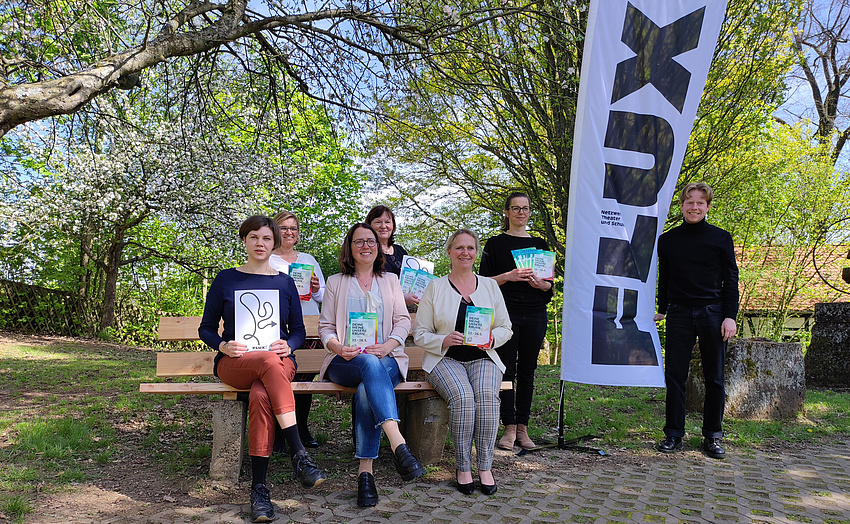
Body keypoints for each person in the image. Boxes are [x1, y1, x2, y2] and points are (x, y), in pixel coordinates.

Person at [198, 215, 326, 523]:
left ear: (274, 243)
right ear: (244, 240)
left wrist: (290, 345)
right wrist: (222, 345)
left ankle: (259, 490)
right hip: (235, 362)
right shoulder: (226, 278)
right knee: (268, 363)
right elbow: (206, 329)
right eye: (254, 237)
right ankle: (299, 453)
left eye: (266, 238)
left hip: (277, 360)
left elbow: (297, 329)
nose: (260, 243)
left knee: (260, 394)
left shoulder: (284, 282)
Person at [318, 222, 426, 507]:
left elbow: (403, 321)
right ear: (350, 248)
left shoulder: (390, 280)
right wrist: (339, 347)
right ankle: (398, 444)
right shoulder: (335, 282)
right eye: (359, 242)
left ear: (378, 247)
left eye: (371, 241)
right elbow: (326, 327)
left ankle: (365, 474)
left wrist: (389, 345)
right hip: (345, 360)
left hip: (387, 359)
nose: (366, 246)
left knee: (369, 385)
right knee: (367, 363)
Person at [413, 228, 512, 495]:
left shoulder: (490, 286)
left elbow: (506, 327)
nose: (464, 253)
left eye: (470, 248)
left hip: (484, 357)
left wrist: (492, 339)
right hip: (445, 359)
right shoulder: (435, 287)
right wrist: (443, 339)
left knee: (488, 398)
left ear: (476, 252)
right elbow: (420, 333)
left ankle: (486, 466)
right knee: (464, 398)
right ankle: (463, 466)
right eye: (459, 248)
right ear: (449, 253)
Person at [653, 181, 739, 460]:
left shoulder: (721, 238)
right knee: (675, 376)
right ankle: (673, 435)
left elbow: (731, 279)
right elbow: (663, 277)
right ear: (681, 206)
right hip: (678, 314)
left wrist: (730, 316)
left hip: (713, 314)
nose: (694, 207)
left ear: (708, 207)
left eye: (700, 202)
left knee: (715, 378)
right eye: (689, 202)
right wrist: (663, 309)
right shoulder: (667, 240)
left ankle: (712, 436)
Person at [479, 192, 553, 450]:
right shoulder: (495, 244)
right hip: (505, 313)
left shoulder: (541, 245)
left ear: (529, 212)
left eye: (525, 208)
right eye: (516, 208)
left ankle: (523, 427)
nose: (521, 213)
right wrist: (509, 276)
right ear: (507, 213)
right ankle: (508, 427)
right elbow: (483, 283)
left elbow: (549, 288)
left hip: (535, 313)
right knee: (506, 370)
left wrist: (540, 283)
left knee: (528, 372)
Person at [269, 210, 325, 448]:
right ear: (274, 230)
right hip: (279, 328)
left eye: (293, 228)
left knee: (305, 379)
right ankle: (281, 432)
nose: (289, 232)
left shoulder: (308, 259)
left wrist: (314, 288)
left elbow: (323, 295)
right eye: (284, 228)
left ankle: (301, 427)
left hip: (310, 325)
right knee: (280, 378)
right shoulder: (268, 259)